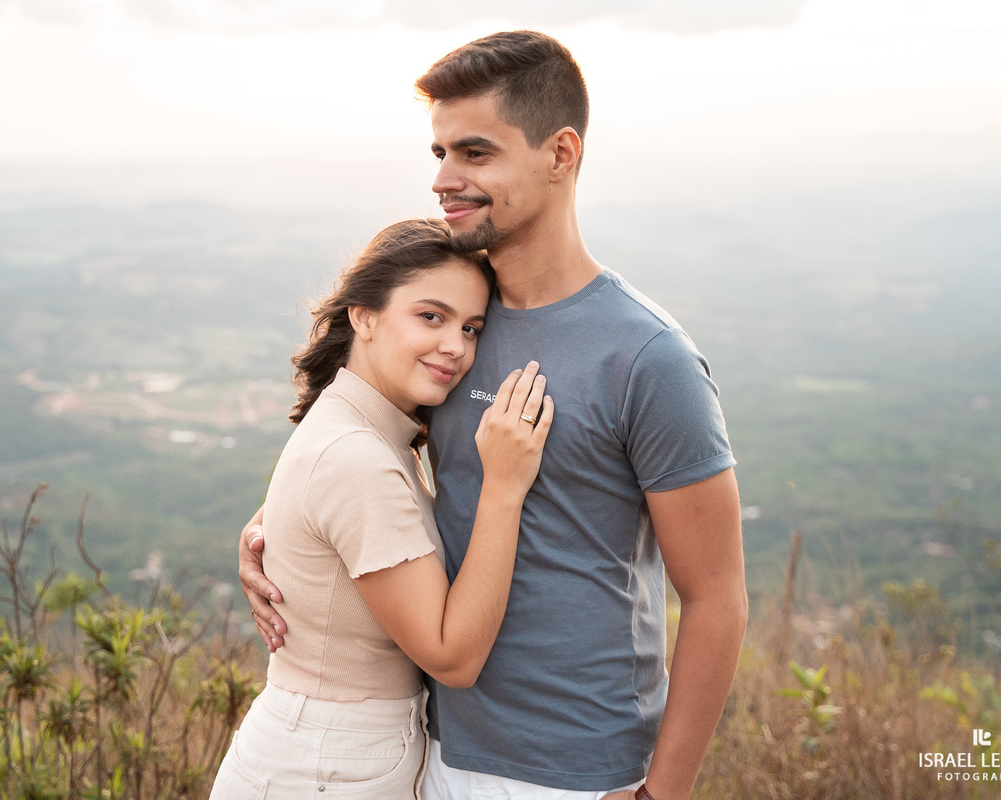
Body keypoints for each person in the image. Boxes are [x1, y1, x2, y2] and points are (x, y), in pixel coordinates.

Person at [242, 31, 747, 800]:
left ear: (560, 153)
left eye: (474, 153)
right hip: (434, 751)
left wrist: (664, 792)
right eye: (439, 153)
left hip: (580, 774)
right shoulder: (453, 327)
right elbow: (363, 460)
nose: (445, 179)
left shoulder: (649, 358)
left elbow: (716, 597)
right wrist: (277, 530)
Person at [210, 218, 553, 799]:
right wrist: (504, 486)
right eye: (431, 316)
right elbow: (452, 658)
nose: (456, 346)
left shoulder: (362, 431)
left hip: (327, 756)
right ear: (363, 315)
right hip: (325, 767)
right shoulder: (358, 457)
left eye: (472, 328)